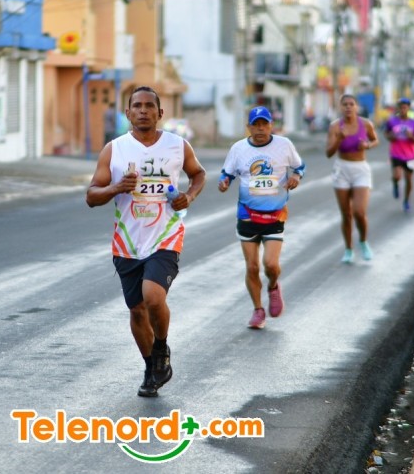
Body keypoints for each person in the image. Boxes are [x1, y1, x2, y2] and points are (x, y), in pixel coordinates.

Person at [86, 86, 206, 398]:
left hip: (166, 235)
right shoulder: (114, 150)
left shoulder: (177, 145)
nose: (143, 111)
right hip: (127, 241)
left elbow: (198, 174)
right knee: (137, 310)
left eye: (149, 106)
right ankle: (152, 367)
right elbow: (91, 196)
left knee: (152, 297)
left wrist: (189, 196)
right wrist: (115, 188)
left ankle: (161, 348)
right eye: (137, 106)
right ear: (128, 113)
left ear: (160, 113)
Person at [218, 106, 305, 329]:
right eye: (255, 125)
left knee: (271, 265)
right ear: (248, 127)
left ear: (271, 125)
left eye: (264, 124)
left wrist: (296, 177)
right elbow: (227, 173)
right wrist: (224, 182)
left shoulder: (284, 145)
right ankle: (258, 310)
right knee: (252, 267)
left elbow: (299, 166)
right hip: (247, 214)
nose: (260, 129)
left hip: (275, 214)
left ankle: (273, 286)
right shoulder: (238, 148)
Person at [325, 94, 379, 263]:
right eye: (345, 104)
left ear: (356, 107)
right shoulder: (335, 127)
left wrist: (367, 145)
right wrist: (339, 139)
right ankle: (348, 249)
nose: (348, 107)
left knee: (359, 212)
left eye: (351, 104)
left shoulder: (366, 124)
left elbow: (375, 140)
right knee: (346, 214)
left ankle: (363, 241)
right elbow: (329, 153)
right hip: (342, 169)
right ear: (340, 107)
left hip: (360, 169)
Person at [384, 98, 414, 213]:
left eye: (405, 107)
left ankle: (406, 201)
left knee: (409, 179)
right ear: (398, 108)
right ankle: (395, 184)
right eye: (400, 107)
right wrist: (391, 136)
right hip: (396, 154)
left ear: (408, 108)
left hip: (411, 156)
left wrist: (411, 137)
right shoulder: (392, 121)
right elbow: (386, 134)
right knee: (397, 175)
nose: (402, 110)